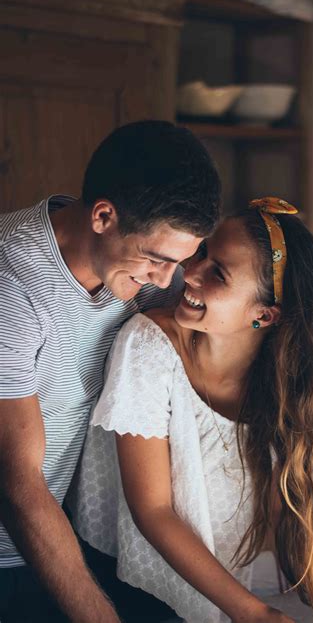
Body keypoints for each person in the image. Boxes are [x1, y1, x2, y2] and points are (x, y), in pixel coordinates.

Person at [71, 197, 313, 623]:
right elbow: (153, 511)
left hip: (216, 593)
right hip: (123, 588)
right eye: (202, 252)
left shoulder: (281, 384)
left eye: (217, 272)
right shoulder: (147, 344)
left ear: (265, 314)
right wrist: (253, 612)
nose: (190, 270)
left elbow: (289, 508)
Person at [0, 120, 221, 623]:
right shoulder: (10, 285)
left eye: (179, 262)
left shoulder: (136, 270)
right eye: (157, 260)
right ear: (103, 215)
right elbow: (19, 485)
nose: (169, 281)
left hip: (54, 539)